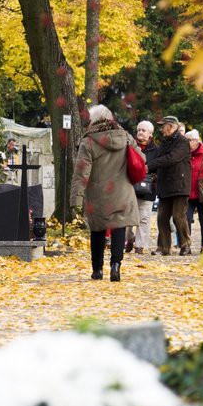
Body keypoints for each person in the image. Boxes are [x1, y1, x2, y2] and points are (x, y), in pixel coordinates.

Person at [70, 105, 139, 282]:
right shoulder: (125, 137)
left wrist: (76, 199)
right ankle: (116, 265)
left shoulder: (89, 141)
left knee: (98, 229)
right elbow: (141, 159)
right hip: (123, 191)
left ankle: (97, 269)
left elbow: (81, 171)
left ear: (94, 120)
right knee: (118, 227)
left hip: (99, 192)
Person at [146, 115, 191, 256]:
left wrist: (149, 166)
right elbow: (158, 158)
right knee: (162, 217)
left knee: (178, 216)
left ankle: (185, 245)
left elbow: (171, 158)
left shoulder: (182, 142)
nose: (161, 129)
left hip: (179, 185)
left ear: (171, 126)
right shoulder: (165, 142)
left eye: (163, 126)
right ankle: (163, 248)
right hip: (165, 185)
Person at [125, 121, 157, 255]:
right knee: (127, 218)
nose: (140, 133)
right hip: (129, 187)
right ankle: (129, 239)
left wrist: (153, 175)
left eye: (144, 130)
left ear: (150, 134)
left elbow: (159, 166)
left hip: (147, 188)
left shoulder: (156, 150)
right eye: (139, 130)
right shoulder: (130, 147)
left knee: (144, 218)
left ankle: (140, 245)